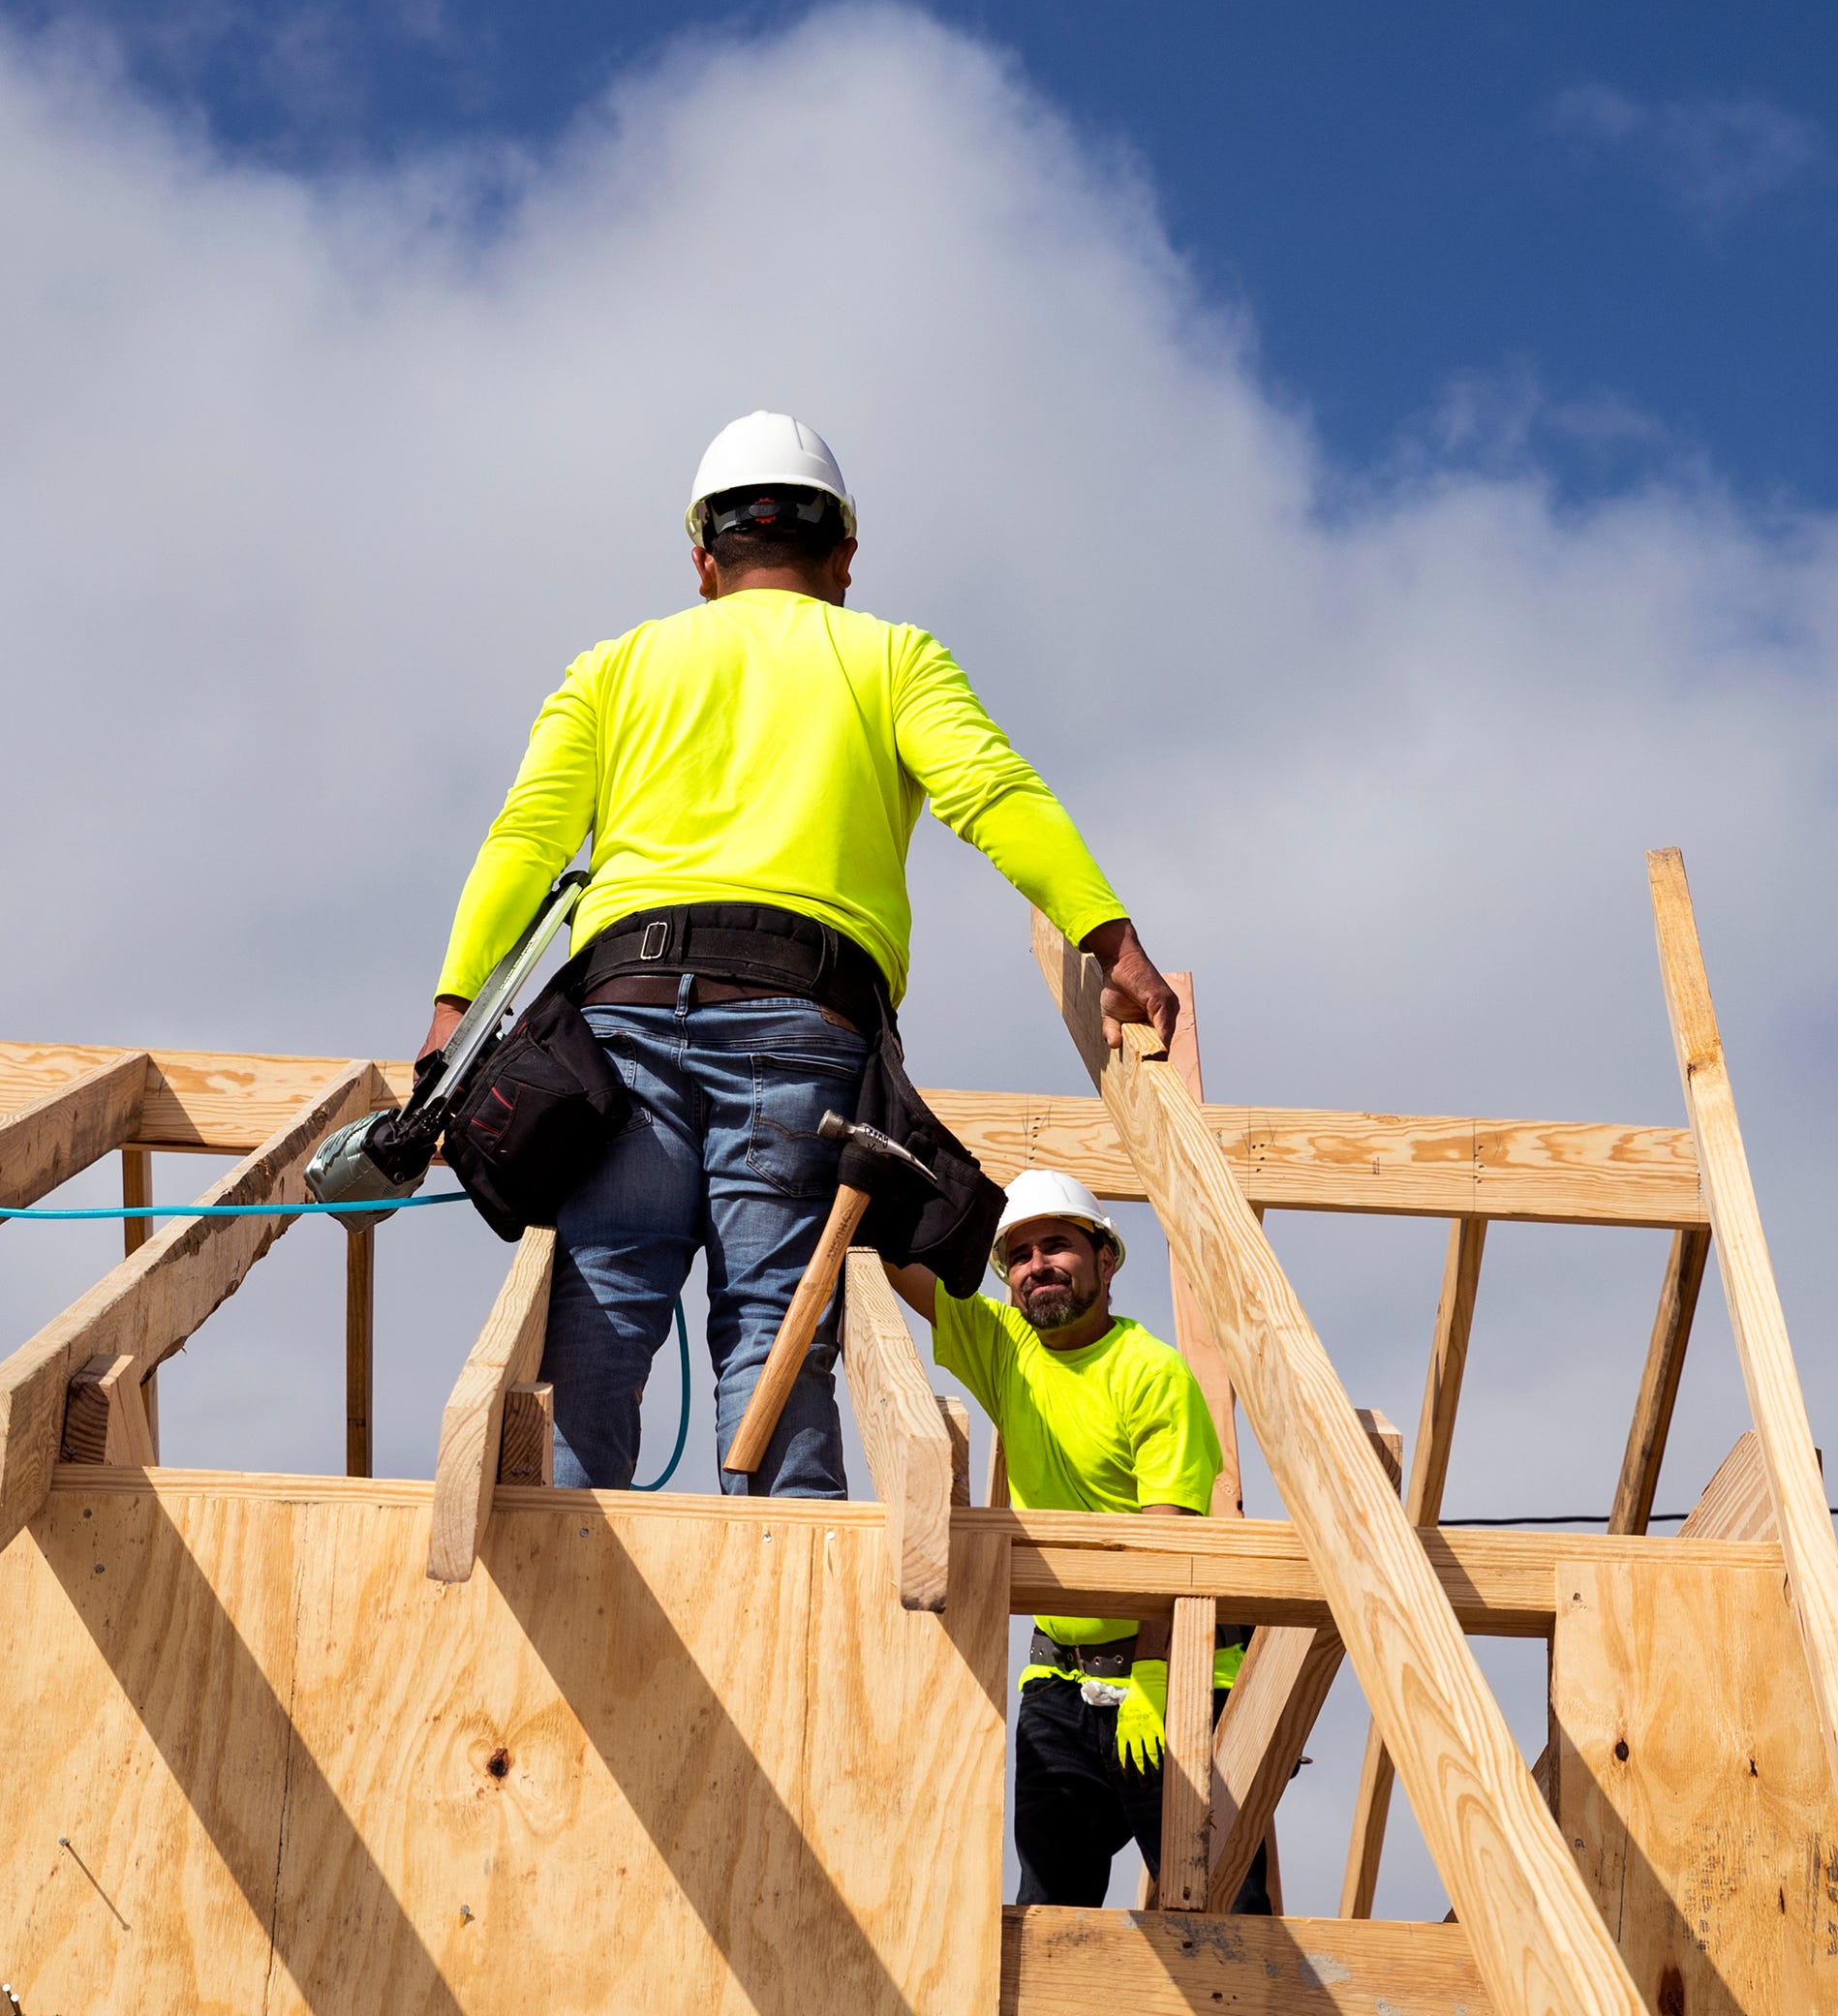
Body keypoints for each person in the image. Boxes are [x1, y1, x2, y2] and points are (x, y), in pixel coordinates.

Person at [424, 412, 1180, 1497]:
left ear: (703, 560)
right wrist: (1116, 943)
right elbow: (996, 797)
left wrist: (456, 1009)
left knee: (602, 1308)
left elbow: (526, 837)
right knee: (777, 1336)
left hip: (622, 1022)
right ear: (845, 557)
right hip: (804, 1030)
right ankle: (788, 1622)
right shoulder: (889, 657)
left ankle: (564, 1579)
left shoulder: (617, 667)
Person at [890, 1170, 1272, 1912]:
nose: (1038, 1266)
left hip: (1166, 1677)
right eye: (1021, 1254)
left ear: (1106, 1260)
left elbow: (1171, 1548)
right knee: (1047, 1916)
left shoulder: (1151, 1373)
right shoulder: (1004, 1349)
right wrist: (876, 1175)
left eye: (1057, 1245)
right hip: (1060, 1686)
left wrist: (1158, 1681)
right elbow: (900, 1266)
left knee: (1227, 1917)